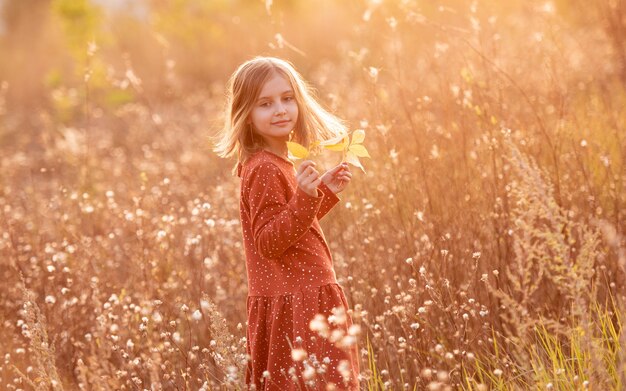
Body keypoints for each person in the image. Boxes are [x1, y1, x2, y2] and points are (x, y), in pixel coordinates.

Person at [213, 56, 360, 390]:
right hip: (299, 302)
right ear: (245, 115)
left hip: (301, 296)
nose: (280, 109)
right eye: (265, 104)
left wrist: (321, 193)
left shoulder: (275, 162)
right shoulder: (265, 167)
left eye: (287, 98)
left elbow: (288, 228)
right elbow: (268, 241)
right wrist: (307, 197)